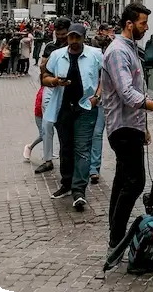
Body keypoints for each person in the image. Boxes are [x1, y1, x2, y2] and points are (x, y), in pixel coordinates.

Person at [101, 3, 153, 252]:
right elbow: (127, 93)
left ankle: (115, 234)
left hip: (130, 126)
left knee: (122, 180)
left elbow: (136, 90)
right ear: (129, 24)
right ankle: (117, 238)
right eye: (143, 23)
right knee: (135, 182)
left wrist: (143, 125)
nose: (146, 27)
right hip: (121, 127)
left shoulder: (130, 48)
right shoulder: (118, 51)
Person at [42, 23, 103, 211]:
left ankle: (79, 191)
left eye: (78, 37)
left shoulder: (95, 54)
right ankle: (67, 183)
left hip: (86, 108)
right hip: (63, 108)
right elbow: (44, 77)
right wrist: (54, 81)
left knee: (82, 149)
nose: (74, 41)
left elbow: (105, 77)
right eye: (71, 37)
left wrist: (97, 97)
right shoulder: (57, 55)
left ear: (84, 38)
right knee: (66, 148)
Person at [35, 18, 70, 173]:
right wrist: (52, 58)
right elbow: (43, 69)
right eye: (58, 33)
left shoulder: (75, 45)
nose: (61, 36)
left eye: (64, 33)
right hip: (51, 87)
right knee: (47, 124)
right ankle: (48, 159)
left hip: (68, 89)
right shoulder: (50, 47)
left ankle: (67, 159)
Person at [89, 25, 115, 183]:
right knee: (95, 133)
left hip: (106, 100)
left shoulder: (112, 55)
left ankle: (94, 168)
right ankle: (92, 167)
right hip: (95, 100)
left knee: (99, 133)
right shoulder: (93, 55)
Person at [23, 87, 45, 162]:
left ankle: (48, 153)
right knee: (43, 135)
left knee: (49, 134)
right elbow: (39, 106)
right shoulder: (43, 91)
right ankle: (30, 147)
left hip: (46, 115)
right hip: (39, 116)